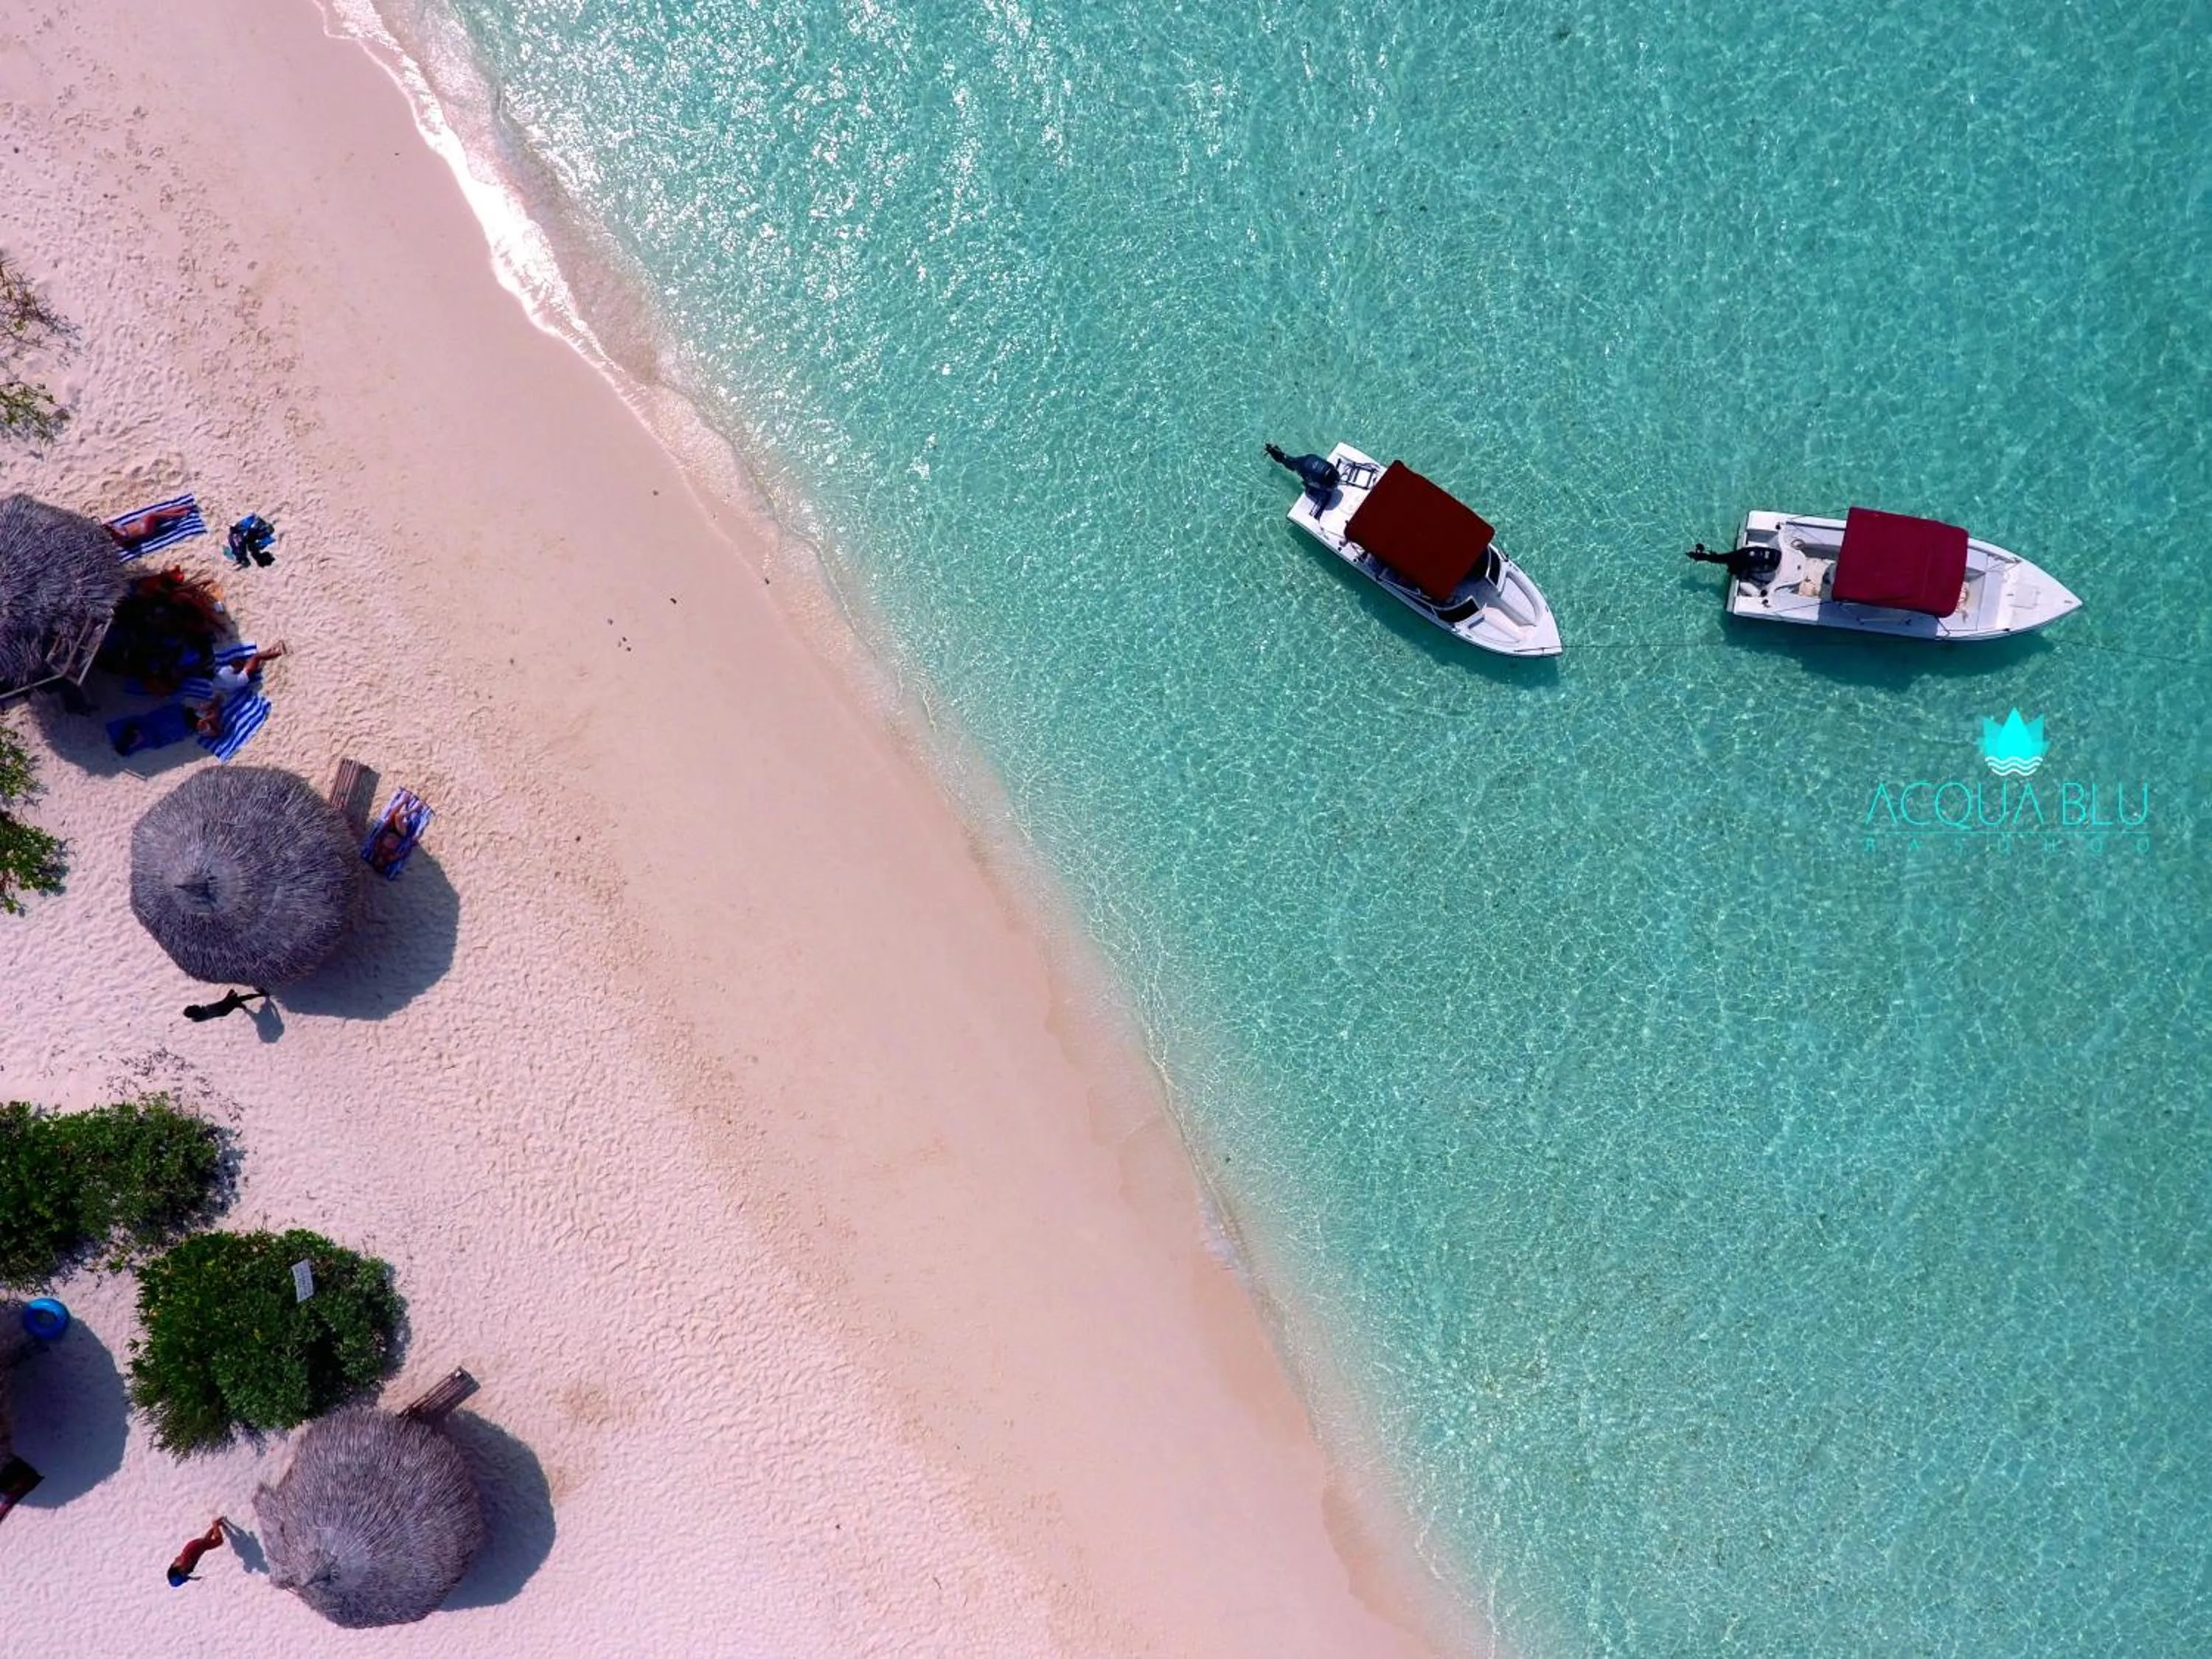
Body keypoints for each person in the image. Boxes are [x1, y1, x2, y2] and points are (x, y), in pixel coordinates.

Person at [167, 1518, 229, 1587]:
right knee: (207, 1540)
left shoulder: (184, 1562)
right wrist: (192, 1578)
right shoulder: (180, 1566)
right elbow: (184, 1573)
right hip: (196, 1546)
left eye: (182, 1573)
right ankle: (216, 1525)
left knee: (219, 1541)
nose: (184, 1574)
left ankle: (215, 1524)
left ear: (178, 1571)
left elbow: (182, 1561)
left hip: (197, 1547)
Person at [182, 989, 269, 1022]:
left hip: (222, 1011)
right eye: (193, 1006)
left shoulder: (197, 1018)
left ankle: (238, 1005)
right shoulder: (209, 1009)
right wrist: (229, 996)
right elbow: (223, 1003)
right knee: (238, 998)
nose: (194, 1005)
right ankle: (261, 994)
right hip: (223, 1009)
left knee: (235, 1001)